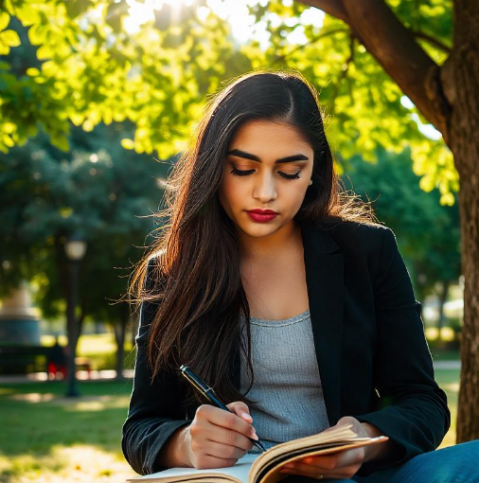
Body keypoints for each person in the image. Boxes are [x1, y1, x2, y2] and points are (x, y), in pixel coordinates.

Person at [122, 71, 478, 483]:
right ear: (213, 168)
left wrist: (365, 438)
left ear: (314, 173)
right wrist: (184, 443)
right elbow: (141, 427)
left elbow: (424, 403)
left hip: (359, 477)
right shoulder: (172, 272)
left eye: (289, 172)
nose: (265, 192)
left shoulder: (368, 252)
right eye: (242, 169)